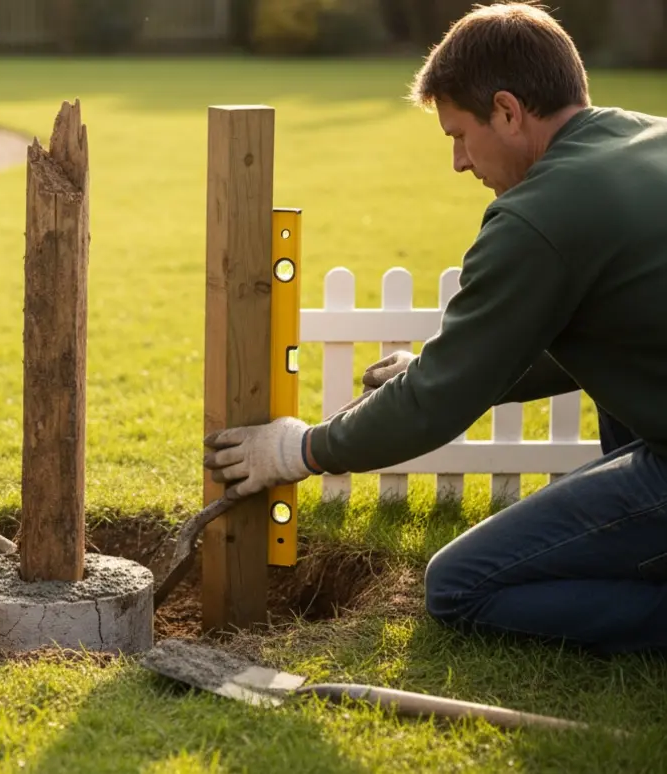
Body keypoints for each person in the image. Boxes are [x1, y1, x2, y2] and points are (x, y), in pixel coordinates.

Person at [202, 1, 667, 657]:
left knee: (459, 586)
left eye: (458, 135)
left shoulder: (540, 215)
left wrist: (300, 450)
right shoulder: (647, 137)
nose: (458, 162)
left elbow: (435, 407)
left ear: (507, 111)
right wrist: (440, 366)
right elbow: (611, 338)